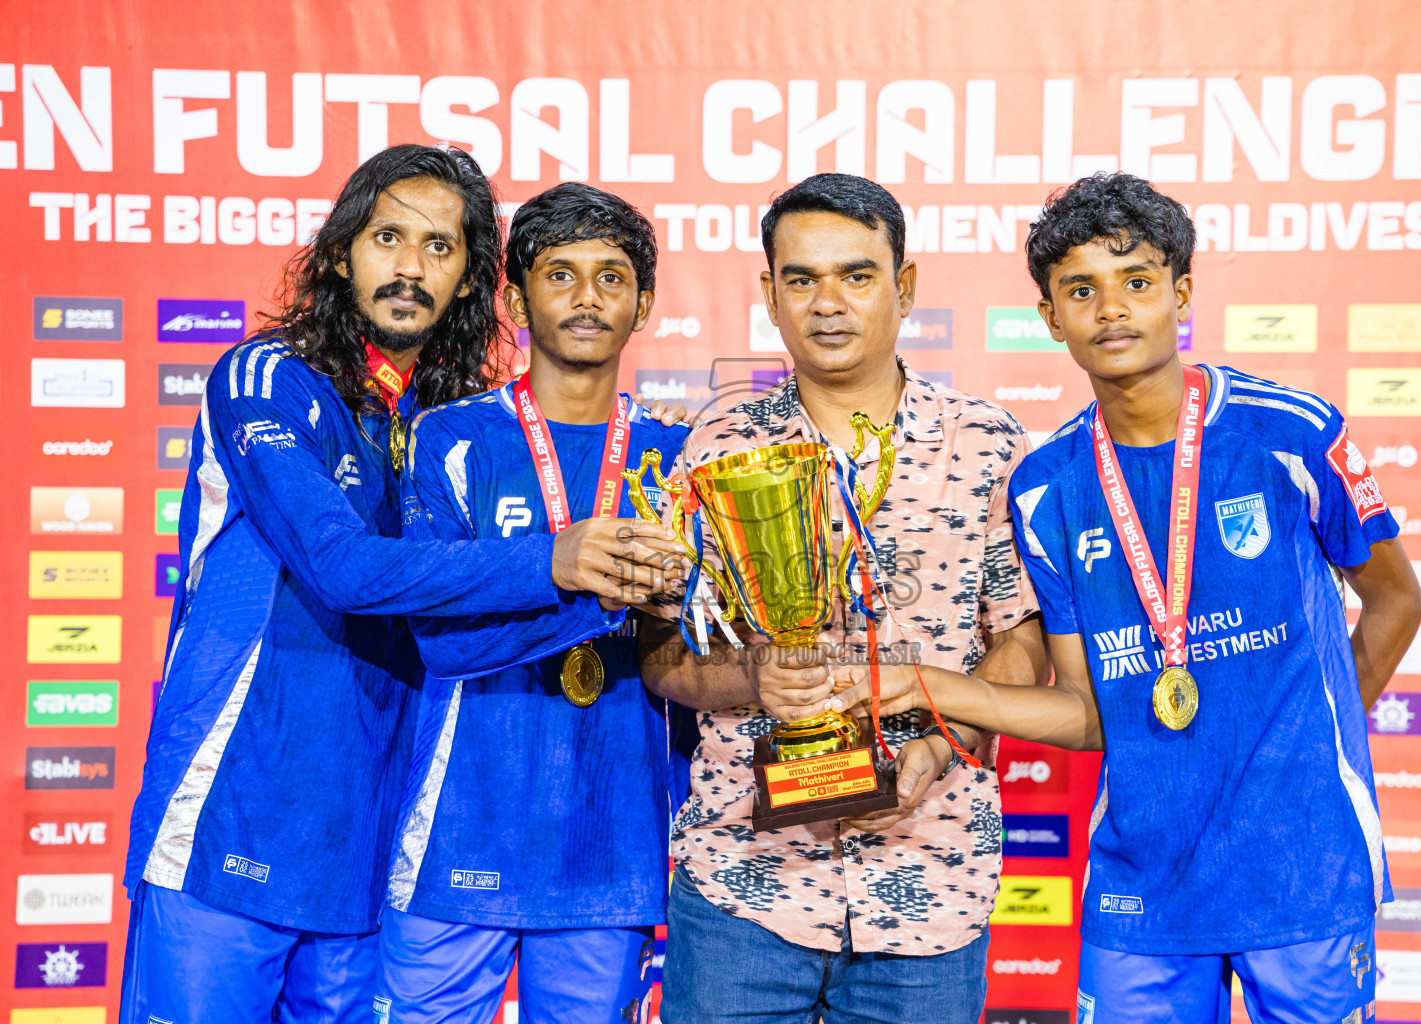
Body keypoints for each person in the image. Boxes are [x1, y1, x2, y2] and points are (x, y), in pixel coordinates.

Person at [828, 172, 1421, 1024]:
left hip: (1298, 854)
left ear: (1179, 295)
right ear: (1049, 317)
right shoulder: (1046, 487)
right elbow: (1085, 714)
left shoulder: (1287, 433)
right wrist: (921, 685)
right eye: (1081, 290)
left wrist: (1307, 742)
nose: (1111, 310)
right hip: (1141, 868)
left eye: (1136, 282)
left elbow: (1396, 600)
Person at [122, 147, 681, 1024]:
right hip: (234, 801)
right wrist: (556, 563)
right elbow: (339, 567)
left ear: (470, 282)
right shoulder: (267, 378)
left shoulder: (446, 425)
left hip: (372, 832)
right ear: (342, 251)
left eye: (440, 248)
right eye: (388, 237)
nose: (410, 267)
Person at [639, 173, 1049, 1024]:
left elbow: (1020, 641)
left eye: (857, 275)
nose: (828, 303)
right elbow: (664, 660)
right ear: (769, 295)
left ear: (903, 286)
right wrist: (754, 676)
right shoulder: (715, 448)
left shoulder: (987, 444)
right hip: (743, 885)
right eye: (801, 279)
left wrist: (943, 740)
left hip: (931, 882)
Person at [374, 183, 690, 1024]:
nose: (587, 298)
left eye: (611, 278)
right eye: (560, 276)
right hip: (456, 830)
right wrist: (594, 590)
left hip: (612, 839)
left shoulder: (678, 457)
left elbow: (699, 649)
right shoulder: (448, 438)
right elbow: (436, 642)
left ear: (643, 304)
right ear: (514, 298)